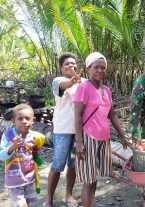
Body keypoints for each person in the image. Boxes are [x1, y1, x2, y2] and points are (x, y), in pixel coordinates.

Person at [74, 52, 128, 207]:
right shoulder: (84, 87)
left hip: (104, 138)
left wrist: (122, 137)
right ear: (88, 69)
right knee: (88, 181)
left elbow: (112, 116)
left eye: (103, 68)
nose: (100, 70)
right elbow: (77, 115)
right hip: (88, 137)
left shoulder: (106, 90)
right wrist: (78, 141)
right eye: (96, 67)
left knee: (94, 179)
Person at [45, 52, 82, 207]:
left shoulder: (83, 82)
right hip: (62, 131)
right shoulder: (58, 80)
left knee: (72, 165)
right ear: (61, 68)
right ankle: (49, 199)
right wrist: (72, 81)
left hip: (77, 132)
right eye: (67, 64)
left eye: (73, 63)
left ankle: (68, 195)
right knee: (57, 165)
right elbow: (63, 86)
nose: (71, 66)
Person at [0, 104, 45, 207]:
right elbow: (1, 156)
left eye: (27, 118)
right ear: (13, 120)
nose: (24, 121)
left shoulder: (35, 136)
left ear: (33, 120)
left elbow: (35, 150)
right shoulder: (8, 135)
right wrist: (13, 146)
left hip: (30, 179)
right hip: (14, 181)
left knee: (31, 204)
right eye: (20, 119)